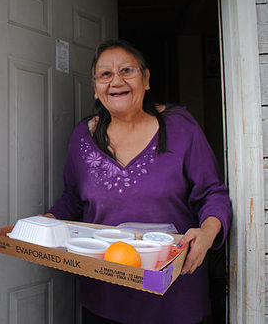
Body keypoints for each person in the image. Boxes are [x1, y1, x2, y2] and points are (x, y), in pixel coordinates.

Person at [45, 39, 232, 324]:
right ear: (95, 88)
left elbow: (212, 194)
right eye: (105, 74)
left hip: (174, 290)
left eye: (127, 71)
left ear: (145, 79)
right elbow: (72, 199)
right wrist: (42, 225)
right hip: (105, 292)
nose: (116, 80)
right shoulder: (82, 137)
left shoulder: (180, 127)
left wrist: (207, 233)